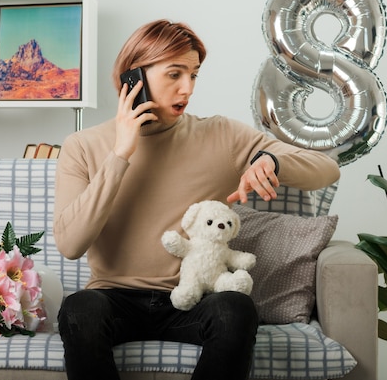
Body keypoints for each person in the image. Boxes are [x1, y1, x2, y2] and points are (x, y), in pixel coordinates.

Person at [53, 19, 340, 380]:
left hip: (194, 298)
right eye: (174, 74)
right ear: (133, 78)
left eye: (194, 75)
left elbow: (326, 168)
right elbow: (70, 244)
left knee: (235, 309)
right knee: (79, 309)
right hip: (114, 300)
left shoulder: (221, 134)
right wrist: (120, 155)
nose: (187, 89)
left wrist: (272, 160)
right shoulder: (82, 146)